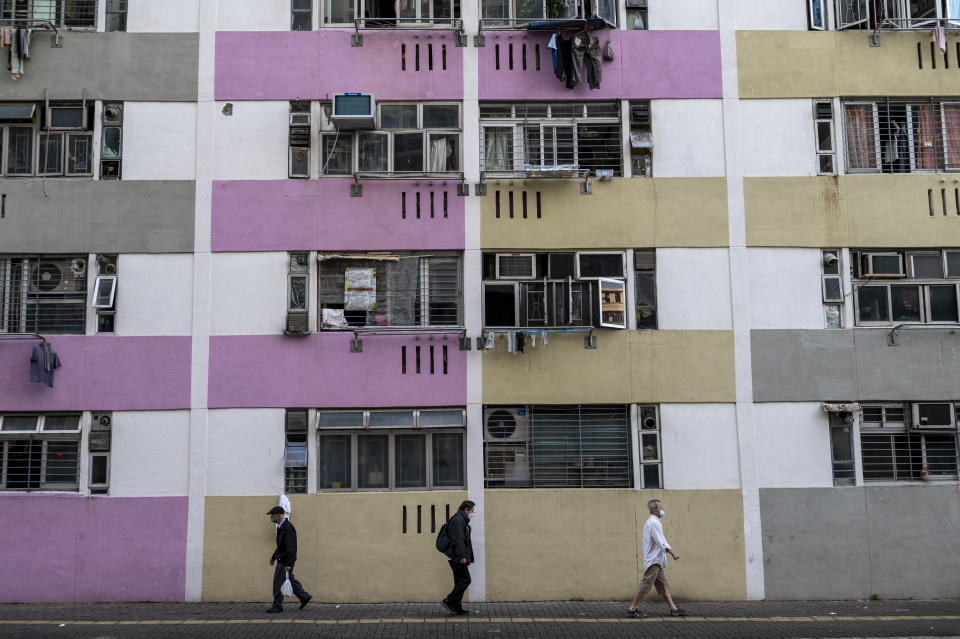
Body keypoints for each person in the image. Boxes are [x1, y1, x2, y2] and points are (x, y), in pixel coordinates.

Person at [627, 499, 686, 618]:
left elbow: (661, 540)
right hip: (653, 560)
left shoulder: (655, 522)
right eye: (661, 508)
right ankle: (632, 608)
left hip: (657, 561)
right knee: (646, 584)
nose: (663, 510)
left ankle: (673, 608)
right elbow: (660, 541)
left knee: (663, 585)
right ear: (654, 510)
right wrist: (672, 553)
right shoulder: (653, 523)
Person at [265, 506, 312, 613]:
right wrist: (273, 557)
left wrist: (289, 563)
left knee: (278, 583)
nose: (272, 517)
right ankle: (304, 596)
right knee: (289, 579)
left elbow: (291, 547)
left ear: (279, 515)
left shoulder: (287, 527)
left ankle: (277, 606)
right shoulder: (281, 526)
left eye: (273, 515)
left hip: (285, 560)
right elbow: (281, 546)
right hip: (282, 559)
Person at [441, 500, 475, 615]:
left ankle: (457, 607)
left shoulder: (460, 520)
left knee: (459, 581)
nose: (472, 513)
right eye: (472, 511)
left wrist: (468, 531)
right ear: (466, 509)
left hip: (456, 556)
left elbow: (462, 538)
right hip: (457, 557)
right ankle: (449, 600)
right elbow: (458, 540)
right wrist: (461, 556)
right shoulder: (458, 520)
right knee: (466, 580)